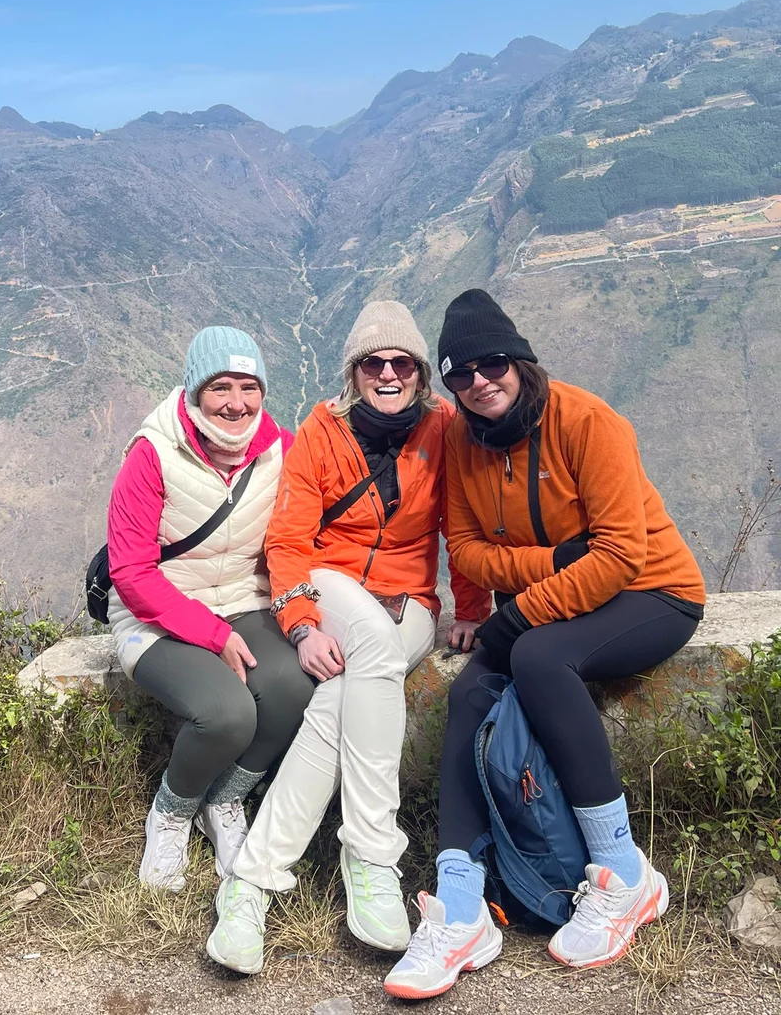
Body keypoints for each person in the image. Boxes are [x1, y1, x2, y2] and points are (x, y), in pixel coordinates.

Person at [383, 289, 706, 999]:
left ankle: (625, 875)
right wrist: (554, 565)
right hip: (554, 601)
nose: (478, 382)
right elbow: (466, 551)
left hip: (653, 594)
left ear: (521, 361)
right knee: (470, 689)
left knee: (534, 656)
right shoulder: (466, 443)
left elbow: (621, 555)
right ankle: (461, 904)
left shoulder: (591, 423)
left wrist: (519, 613)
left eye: (491, 364)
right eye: (459, 374)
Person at [204, 301, 491, 974]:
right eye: (373, 363)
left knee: (345, 696)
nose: (387, 373)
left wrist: (471, 607)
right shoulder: (321, 431)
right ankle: (371, 856)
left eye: (401, 363)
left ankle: (249, 886)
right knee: (371, 648)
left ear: (421, 374)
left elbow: (462, 523)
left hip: (411, 601)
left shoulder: (443, 430)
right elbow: (290, 539)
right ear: (355, 371)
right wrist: (302, 626)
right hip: (332, 588)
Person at [106, 325, 314, 892]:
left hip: (244, 602)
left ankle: (224, 802)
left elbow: (296, 536)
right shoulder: (153, 455)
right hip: (153, 614)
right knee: (227, 715)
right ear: (196, 392)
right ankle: (171, 812)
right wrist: (211, 634)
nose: (237, 403)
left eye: (250, 387)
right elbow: (130, 572)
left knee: (296, 685)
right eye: (221, 387)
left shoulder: (280, 449)